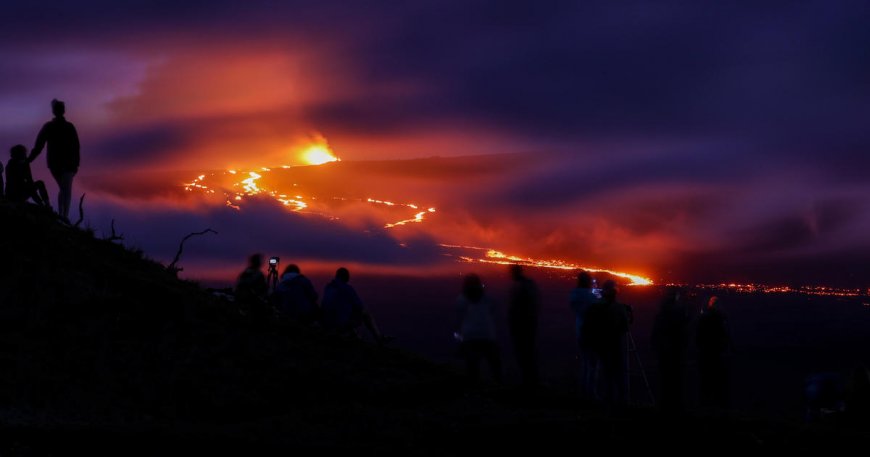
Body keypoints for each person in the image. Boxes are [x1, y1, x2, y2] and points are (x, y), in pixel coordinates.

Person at [582, 279, 631, 407]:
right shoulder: (619, 308)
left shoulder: (595, 307)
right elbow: (626, 326)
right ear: (616, 292)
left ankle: (606, 400)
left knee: (605, 373)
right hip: (616, 345)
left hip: (601, 345)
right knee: (619, 373)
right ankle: (621, 402)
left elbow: (588, 325)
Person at [29, 99, 80, 220]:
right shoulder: (65, 127)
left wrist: (29, 159)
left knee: (64, 188)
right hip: (63, 164)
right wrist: (29, 160)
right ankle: (64, 216)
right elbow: (76, 146)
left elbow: (39, 146)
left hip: (60, 164)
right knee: (65, 189)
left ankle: (63, 216)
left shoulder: (52, 127)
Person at [321, 267, 388, 344]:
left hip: (326, 322)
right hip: (338, 323)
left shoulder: (328, 287)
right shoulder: (347, 288)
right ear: (346, 277)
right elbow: (359, 306)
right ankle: (378, 338)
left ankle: (353, 335)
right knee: (365, 313)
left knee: (345, 312)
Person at [456, 274, 502, 385]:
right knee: (494, 364)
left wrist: (460, 337)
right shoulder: (487, 298)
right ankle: (498, 387)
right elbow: (493, 311)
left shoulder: (462, 299)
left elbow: (459, 317)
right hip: (487, 335)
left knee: (472, 365)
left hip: (469, 336)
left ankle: (474, 388)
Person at [651, 286, 690, 414]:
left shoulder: (661, 314)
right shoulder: (680, 314)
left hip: (664, 351)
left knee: (665, 380)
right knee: (677, 380)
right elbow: (685, 332)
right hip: (676, 352)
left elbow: (655, 333)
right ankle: (677, 407)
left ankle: (664, 407)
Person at [507, 264, 539, 390]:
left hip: (523, 325)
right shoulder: (528, 285)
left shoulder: (520, 287)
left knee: (524, 353)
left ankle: (528, 382)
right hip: (528, 324)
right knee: (528, 353)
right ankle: (531, 381)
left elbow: (515, 307)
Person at [696, 295, 730, 410]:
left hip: (707, 350)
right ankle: (717, 404)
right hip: (715, 351)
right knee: (717, 377)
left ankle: (706, 404)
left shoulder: (705, 317)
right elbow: (724, 334)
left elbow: (699, 334)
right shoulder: (720, 318)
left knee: (706, 377)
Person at [570, 270, 599, 400]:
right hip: (590, 333)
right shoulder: (590, 297)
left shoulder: (574, 295)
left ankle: (583, 391)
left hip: (579, 331)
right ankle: (590, 394)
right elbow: (598, 308)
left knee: (585, 363)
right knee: (592, 364)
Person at [235, 254, 269, 322]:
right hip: (253, 304)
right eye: (259, 261)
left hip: (247, 302)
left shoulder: (245, 273)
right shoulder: (256, 274)